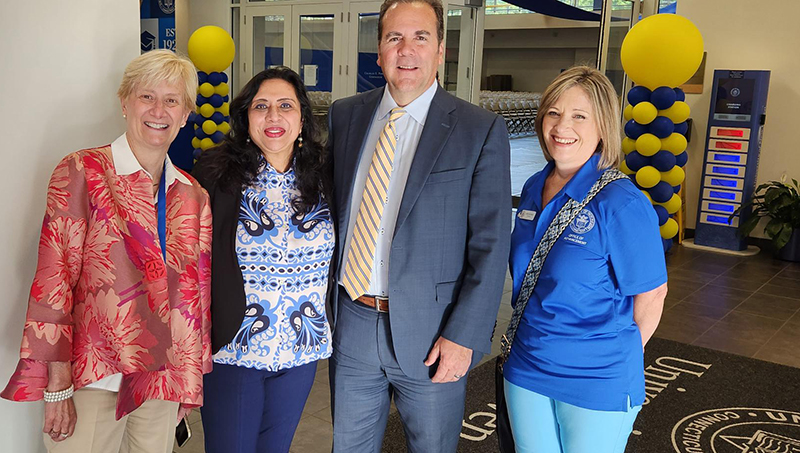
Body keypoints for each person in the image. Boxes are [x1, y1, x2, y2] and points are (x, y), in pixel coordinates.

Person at [1, 49, 212, 453]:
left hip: (162, 382)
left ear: (185, 115)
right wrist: (57, 384)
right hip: (92, 379)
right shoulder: (82, 171)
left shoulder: (192, 194)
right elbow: (54, 278)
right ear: (124, 102)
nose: (159, 110)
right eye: (147, 96)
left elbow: (195, 297)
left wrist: (189, 381)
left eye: (172, 101)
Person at [326, 0, 511, 451]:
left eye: (420, 37)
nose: (406, 50)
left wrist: (464, 337)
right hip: (352, 325)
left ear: (441, 49)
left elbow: (490, 245)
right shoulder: (345, 115)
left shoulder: (479, 129)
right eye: (394, 37)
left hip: (434, 334)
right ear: (378, 50)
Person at [504, 66, 669, 453]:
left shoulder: (621, 202)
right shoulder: (533, 187)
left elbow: (653, 294)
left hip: (597, 379)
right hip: (526, 366)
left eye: (580, 116)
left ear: (603, 128)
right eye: (554, 113)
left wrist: (608, 359)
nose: (563, 126)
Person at [192, 67, 334, 453]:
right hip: (234, 348)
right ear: (246, 117)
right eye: (261, 106)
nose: (273, 116)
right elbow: (189, 265)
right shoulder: (214, 173)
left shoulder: (325, 176)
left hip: (302, 347)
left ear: (302, 117)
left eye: (285, 106)